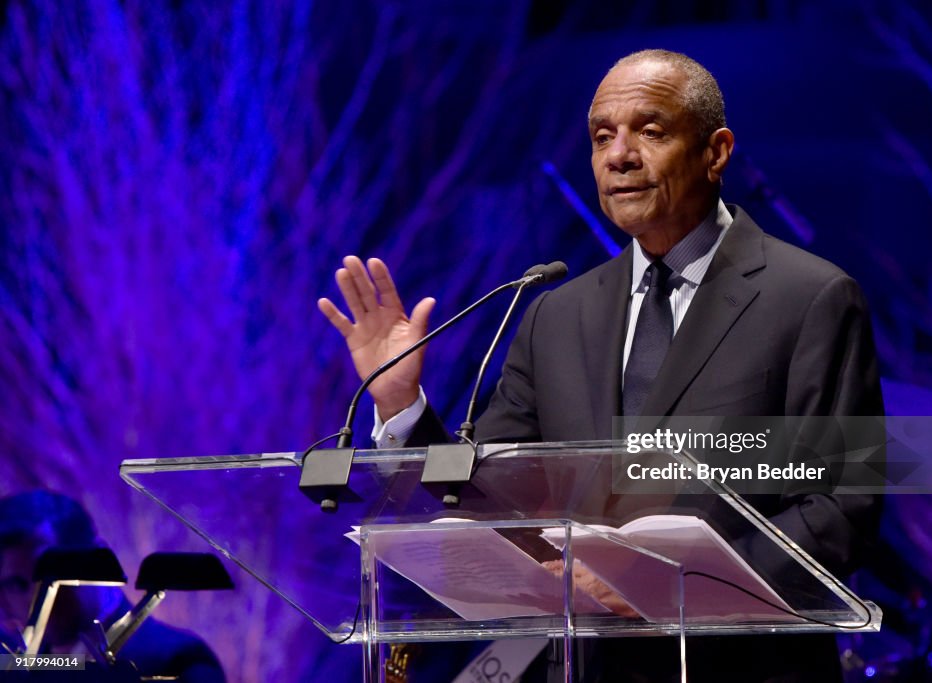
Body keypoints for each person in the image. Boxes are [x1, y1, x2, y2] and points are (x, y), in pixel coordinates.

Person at [319, 49, 883, 682]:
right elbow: (494, 500)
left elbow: (843, 508)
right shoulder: (556, 314)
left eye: (650, 131)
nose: (619, 156)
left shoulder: (810, 297)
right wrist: (402, 406)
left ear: (716, 152)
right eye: (601, 137)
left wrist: (676, 591)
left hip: (747, 665)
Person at [0, 491, 226, 683]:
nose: (4, 608)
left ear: (95, 558)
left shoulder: (179, 661)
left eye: (19, 584)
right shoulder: (16, 665)